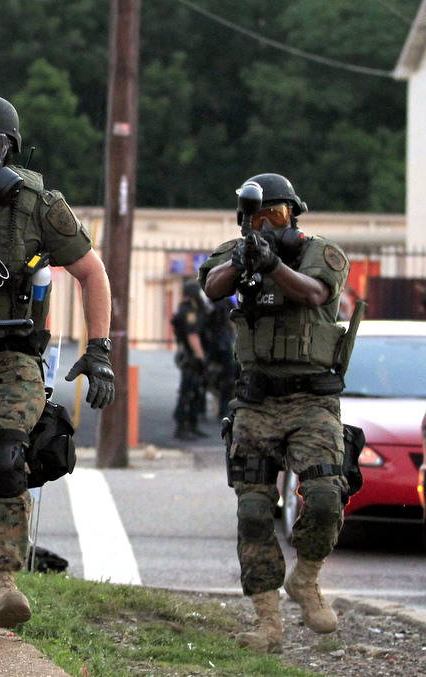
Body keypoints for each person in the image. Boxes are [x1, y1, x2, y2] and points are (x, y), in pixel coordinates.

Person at [0, 93, 114, 630]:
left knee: (5, 452)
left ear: (9, 152)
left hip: (12, 354)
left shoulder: (36, 204)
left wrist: (98, 352)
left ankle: (4, 583)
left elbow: (92, 273)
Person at [200, 173, 352, 654]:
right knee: (253, 511)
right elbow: (212, 285)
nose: (265, 226)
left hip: (312, 400)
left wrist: (272, 264)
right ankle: (267, 620)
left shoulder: (320, 253)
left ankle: (305, 579)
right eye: (255, 218)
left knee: (326, 496)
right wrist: (246, 258)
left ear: (294, 217)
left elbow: (312, 294)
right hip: (257, 400)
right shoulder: (235, 250)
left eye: (276, 217)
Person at [171, 278, 209, 440]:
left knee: (194, 390)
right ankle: (182, 428)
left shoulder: (183, 309)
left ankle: (192, 426)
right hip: (191, 356)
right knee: (188, 392)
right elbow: (192, 335)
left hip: (186, 354)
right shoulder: (189, 312)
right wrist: (201, 356)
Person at [203, 294, 237, 420]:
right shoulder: (210, 302)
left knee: (227, 379)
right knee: (204, 378)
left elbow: (233, 322)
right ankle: (220, 410)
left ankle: (222, 410)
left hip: (218, 343)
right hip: (215, 343)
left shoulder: (222, 302)